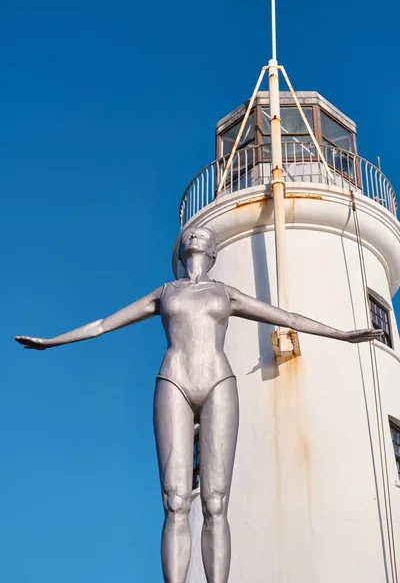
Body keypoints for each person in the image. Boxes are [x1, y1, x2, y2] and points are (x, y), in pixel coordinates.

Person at [15, 226, 382, 583]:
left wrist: (342, 335)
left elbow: (286, 317)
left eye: (204, 234)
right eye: (191, 233)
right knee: (174, 501)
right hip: (173, 381)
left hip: (218, 383)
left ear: (212, 254)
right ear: (182, 251)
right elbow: (102, 325)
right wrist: (53, 342)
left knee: (215, 502)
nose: (195, 232)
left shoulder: (225, 292)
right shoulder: (164, 292)